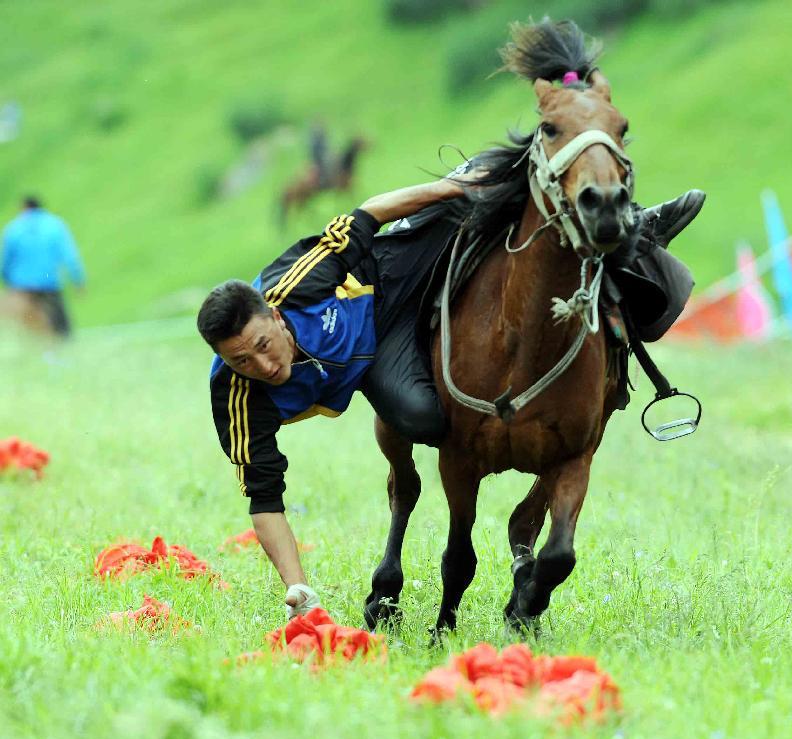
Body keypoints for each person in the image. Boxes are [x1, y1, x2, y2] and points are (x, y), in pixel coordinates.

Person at [197, 172, 703, 619]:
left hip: (391, 280)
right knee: (424, 418)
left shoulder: (300, 280)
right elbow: (264, 501)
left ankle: (633, 229)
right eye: (243, 361)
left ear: (276, 315)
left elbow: (368, 214)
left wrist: (452, 188)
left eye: (263, 346)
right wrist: (299, 590)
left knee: (480, 198)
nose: (264, 367)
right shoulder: (238, 397)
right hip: (380, 349)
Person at [1, 196, 85, 337]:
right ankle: (61, 355)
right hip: (49, 285)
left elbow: (6, 260)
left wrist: (8, 281)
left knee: (32, 330)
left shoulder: (13, 228)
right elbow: (69, 255)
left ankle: (41, 354)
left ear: (24, 208)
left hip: (23, 288)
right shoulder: (55, 225)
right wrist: (78, 279)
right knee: (60, 329)